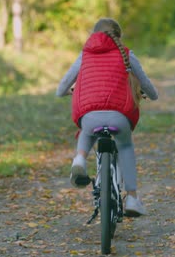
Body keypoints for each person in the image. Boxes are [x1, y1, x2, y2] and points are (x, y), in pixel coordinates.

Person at [56, 18, 158, 216]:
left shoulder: (84, 55)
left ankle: (79, 159)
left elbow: (60, 89)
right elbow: (148, 87)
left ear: (93, 35)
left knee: (87, 128)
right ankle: (132, 199)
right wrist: (151, 95)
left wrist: (70, 91)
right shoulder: (127, 55)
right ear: (118, 37)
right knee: (125, 146)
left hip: (89, 115)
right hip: (119, 116)